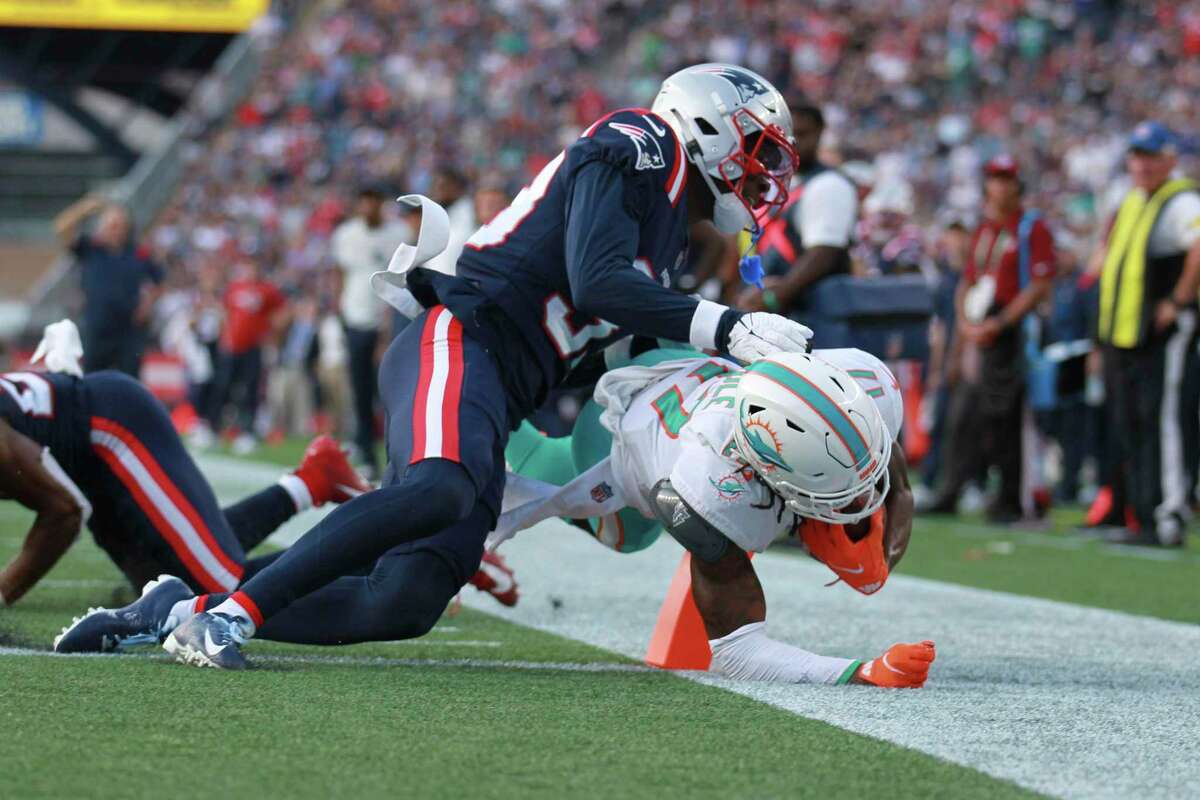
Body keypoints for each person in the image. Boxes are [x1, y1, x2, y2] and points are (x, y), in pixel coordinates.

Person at [143, 63, 815, 670]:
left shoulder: (665, 236)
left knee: (406, 598)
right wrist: (728, 326)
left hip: (499, 390)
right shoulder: (642, 143)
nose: (758, 179)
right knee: (440, 489)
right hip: (462, 340)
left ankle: (180, 608)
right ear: (705, 124)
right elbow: (597, 282)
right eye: (755, 154)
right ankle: (230, 619)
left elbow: (602, 347)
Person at [494, 348, 932, 687]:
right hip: (614, 431)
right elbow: (738, 654)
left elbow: (887, 469)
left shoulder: (864, 384)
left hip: (689, 363)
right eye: (838, 495)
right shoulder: (707, 493)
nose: (861, 502)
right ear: (777, 480)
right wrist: (863, 671)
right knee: (628, 535)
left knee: (863, 552)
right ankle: (502, 415)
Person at [0, 321, 370, 618]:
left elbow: (64, 512)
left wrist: (5, 590)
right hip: (85, 450)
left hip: (114, 424)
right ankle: (314, 480)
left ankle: (376, 545)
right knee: (164, 584)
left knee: (218, 591)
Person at [926, 155, 1056, 522]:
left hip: (1008, 333)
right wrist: (966, 323)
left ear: (1017, 185)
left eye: (1006, 179)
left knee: (1006, 419)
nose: (1000, 186)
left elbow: (1039, 284)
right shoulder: (985, 229)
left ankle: (1010, 499)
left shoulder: (1030, 228)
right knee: (963, 415)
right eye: (994, 179)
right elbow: (967, 279)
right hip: (979, 329)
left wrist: (999, 322)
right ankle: (950, 490)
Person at [1094, 122, 1200, 547]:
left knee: (1166, 420)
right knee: (1134, 423)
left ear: (1169, 159)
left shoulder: (1181, 201)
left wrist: (1177, 300)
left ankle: (1168, 514)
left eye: (1151, 155)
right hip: (1125, 334)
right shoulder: (1132, 200)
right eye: (1136, 155)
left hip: (1162, 334)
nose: (1142, 164)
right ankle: (1142, 512)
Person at [737, 102, 858, 316]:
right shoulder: (771, 183)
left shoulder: (829, 184)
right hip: (766, 310)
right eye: (784, 134)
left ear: (820, 134)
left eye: (802, 134)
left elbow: (824, 253)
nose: (792, 142)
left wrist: (774, 297)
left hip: (809, 314)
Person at [330, 185, 413, 478]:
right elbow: (339, 273)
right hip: (354, 319)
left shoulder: (397, 234)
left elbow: (403, 279)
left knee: (391, 390)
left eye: (372, 203)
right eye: (362, 203)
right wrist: (339, 311)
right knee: (361, 389)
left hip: (387, 321)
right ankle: (366, 453)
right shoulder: (345, 235)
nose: (367, 209)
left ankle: (398, 453)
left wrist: (389, 325)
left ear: (381, 205)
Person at [53, 195, 163, 376]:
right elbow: (61, 228)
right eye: (111, 225)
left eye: (119, 225)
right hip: (97, 326)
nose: (115, 230)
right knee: (92, 378)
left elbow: (159, 280)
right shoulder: (90, 248)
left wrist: (147, 305)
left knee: (129, 379)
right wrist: (84, 209)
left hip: (128, 329)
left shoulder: (137, 252)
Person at [200, 259, 287, 454]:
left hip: (253, 348)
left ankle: (246, 432)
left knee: (250, 390)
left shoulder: (267, 290)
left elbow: (282, 311)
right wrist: (225, 335)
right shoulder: (234, 288)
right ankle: (212, 429)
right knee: (222, 387)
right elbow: (224, 312)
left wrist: (271, 332)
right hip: (231, 346)